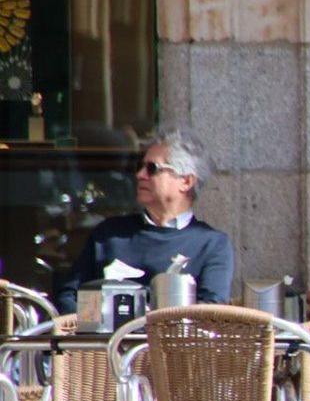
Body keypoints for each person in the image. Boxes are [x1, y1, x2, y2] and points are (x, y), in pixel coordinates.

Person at [56, 127, 234, 313]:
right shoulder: (109, 234)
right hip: (108, 340)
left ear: (186, 182)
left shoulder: (211, 244)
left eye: (152, 169)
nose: (140, 175)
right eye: (140, 167)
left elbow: (212, 312)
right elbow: (69, 296)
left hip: (171, 341)